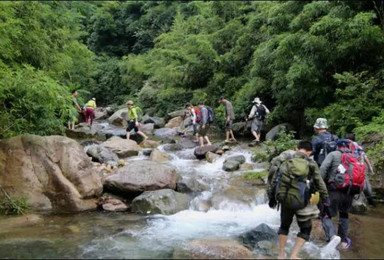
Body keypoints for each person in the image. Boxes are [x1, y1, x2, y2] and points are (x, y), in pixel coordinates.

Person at [268, 140, 330, 259]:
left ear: (296, 148)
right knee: (306, 228)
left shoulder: (285, 160)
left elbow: (275, 178)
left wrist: (272, 196)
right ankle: (294, 255)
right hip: (302, 201)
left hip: (285, 198)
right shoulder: (311, 163)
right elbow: (319, 182)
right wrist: (325, 198)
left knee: (284, 226)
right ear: (309, 152)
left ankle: (281, 254)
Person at [320, 139, 362, 250]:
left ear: (337, 147)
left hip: (334, 190)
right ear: (349, 147)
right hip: (350, 191)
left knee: (326, 214)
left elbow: (323, 168)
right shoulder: (356, 157)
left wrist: (320, 184)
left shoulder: (333, 154)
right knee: (344, 214)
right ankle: (343, 241)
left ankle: (332, 236)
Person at [345, 133, 375, 206]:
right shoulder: (359, 147)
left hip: (349, 168)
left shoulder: (346, 145)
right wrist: (370, 168)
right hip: (360, 168)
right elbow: (365, 157)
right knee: (365, 184)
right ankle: (371, 201)